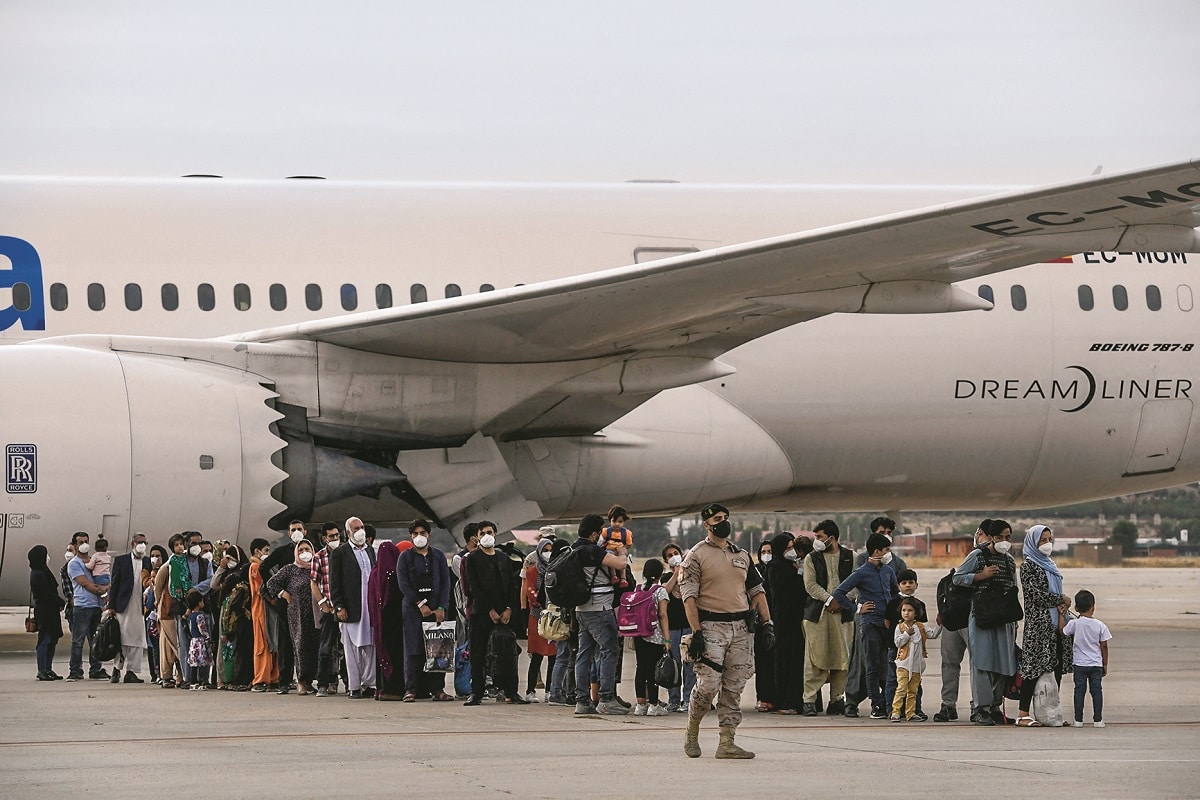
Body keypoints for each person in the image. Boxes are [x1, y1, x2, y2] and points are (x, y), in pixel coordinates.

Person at [680, 502, 774, 759]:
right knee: (708, 685)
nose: (723, 522)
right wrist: (696, 631)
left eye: (726, 517)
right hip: (711, 627)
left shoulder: (741, 555)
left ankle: (727, 742)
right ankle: (692, 730)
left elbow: (757, 592)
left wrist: (767, 624)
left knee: (734, 686)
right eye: (718, 518)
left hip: (741, 628)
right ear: (706, 524)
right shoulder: (696, 555)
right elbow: (688, 596)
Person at [954, 519, 1020, 725]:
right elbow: (958, 578)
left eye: (1008, 537)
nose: (1004, 541)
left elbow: (1012, 587)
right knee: (982, 662)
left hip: (1003, 618)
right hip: (982, 616)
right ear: (991, 537)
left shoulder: (1009, 561)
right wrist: (980, 576)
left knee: (1004, 663)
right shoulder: (978, 555)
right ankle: (980, 708)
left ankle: (994, 707)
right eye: (1000, 537)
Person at [568, 513, 629, 715]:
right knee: (609, 650)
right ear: (594, 534)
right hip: (600, 607)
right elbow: (620, 565)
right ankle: (606, 698)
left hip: (581, 608)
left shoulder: (573, 548)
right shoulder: (592, 550)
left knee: (583, 654)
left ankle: (582, 701)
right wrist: (622, 552)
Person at [833, 532, 898, 720]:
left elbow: (894, 594)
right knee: (872, 665)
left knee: (888, 663)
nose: (888, 554)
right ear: (876, 551)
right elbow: (839, 593)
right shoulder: (861, 572)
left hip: (887, 624)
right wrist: (856, 608)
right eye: (886, 550)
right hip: (870, 623)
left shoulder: (888, 571)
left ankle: (887, 702)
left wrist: (894, 614)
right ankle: (876, 704)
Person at [463, 520, 527, 705]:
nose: (486, 535)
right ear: (477, 537)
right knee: (478, 653)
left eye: (489, 532)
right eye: (482, 533)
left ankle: (511, 692)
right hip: (481, 613)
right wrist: (488, 609)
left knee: (508, 652)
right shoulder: (472, 559)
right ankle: (477, 692)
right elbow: (473, 588)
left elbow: (511, 587)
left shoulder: (503, 558)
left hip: (504, 613)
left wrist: (508, 609)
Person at [1016, 524, 1072, 727]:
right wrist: (1060, 598)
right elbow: (1033, 595)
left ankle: (1051, 712)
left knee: (1055, 668)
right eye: (1042, 540)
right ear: (1033, 542)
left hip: (1055, 624)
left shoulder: (1050, 564)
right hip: (1038, 627)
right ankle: (1022, 714)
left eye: (1049, 539)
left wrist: (1061, 608)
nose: (1047, 544)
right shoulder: (1028, 566)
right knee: (1033, 670)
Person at [934, 519, 990, 722]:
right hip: (954, 619)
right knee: (950, 664)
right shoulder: (974, 556)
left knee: (976, 664)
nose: (979, 537)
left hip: (972, 619)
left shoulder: (992, 559)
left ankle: (978, 704)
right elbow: (956, 578)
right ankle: (948, 704)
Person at [801, 520, 855, 716]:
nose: (817, 541)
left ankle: (837, 699)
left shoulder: (851, 557)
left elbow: (857, 583)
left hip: (843, 616)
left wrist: (842, 601)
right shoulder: (811, 558)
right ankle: (809, 700)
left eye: (820, 537)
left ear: (832, 538)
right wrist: (829, 600)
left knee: (842, 658)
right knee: (815, 658)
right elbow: (810, 585)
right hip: (818, 615)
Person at [396, 519, 453, 702]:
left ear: (429, 534)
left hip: (437, 610)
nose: (419, 537)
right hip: (414, 611)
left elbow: (446, 583)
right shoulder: (405, 557)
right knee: (413, 650)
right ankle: (410, 689)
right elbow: (403, 584)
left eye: (422, 533)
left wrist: (442, 607)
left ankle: (438, 689)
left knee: (438, 651)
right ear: (411, 536)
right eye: (415, 534)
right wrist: (420, 604)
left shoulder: (438, 556)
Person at [264, 539, 320, 695]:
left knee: (315, 646)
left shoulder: (317, 567)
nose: (304, 553)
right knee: (300, 646)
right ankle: (301, 681)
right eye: (300, 550)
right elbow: (271, 583)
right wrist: (284, 594)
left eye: (307, 549)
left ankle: (311, 680)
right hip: (298, 614)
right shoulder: (290, 569)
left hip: (316, 613)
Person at [259, 521, 309, 693]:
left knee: (306, 640)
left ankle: (306, 679)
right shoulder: (281, 552)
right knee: (286, 640)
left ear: (305, 531)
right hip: (286, 603)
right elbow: (263, 568)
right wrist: (277, 592)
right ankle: (284, 681)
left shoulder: (311, 550)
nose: (297, 532)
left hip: (307, 604)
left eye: (299, 529)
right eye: (293, 530)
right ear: (288, 533)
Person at [331, 516, 377, 698]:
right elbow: (334, 583)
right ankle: (354, 686)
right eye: (356, 528)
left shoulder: (370, 551)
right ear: (348, 532)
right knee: (351, 649)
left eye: (362, 527)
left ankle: (370, 683)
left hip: (369, 607)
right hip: (350, 608)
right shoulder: (340, 553)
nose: (360, 531)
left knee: (370, 647)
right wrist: (339, 606)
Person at [766, 532, 805, 714]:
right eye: (788, 548)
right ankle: (785, 700)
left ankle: (795, 700)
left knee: (796, 660)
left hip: (796, 619)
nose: (791, 551)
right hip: (784, 620)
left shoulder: (792, 565)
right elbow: (783, 593)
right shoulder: (776, 566)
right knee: (785, 660)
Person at [105, 532, 152, 684]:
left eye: (144, 542)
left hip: (140, 607)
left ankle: (132, 671)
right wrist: (111, 606)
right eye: (139, 542)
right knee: (121, 639)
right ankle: (116, 669)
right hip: (123, 606)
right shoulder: (121, 561)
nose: (142, 545)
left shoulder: (147, 562)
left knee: (138, 640)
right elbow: (115, 584)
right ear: (132, 543)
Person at [883, 568, 928, 720]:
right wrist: (898, 638)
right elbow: (887, 622)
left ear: (916, 584)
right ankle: (892, 708)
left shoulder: (919, 604)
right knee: (893, 679)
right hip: (896, 648)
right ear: (898, 585)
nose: (908, 585)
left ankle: (915, 709)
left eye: (911, 582)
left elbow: (923, 627)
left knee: (915, 680)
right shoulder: (892, 603)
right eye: (904, 583)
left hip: (915, 651)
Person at [1062, 589, 1110, 728]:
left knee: (1079, 691)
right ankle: (1098, 720)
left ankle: (1078, 720)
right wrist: (1104, 663)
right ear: (1093, 607)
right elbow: (1104, 645)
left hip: (1079, 664)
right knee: (1096, 691)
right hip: (1096, 664)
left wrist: (1061, 615)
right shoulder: (1100, 625)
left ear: (1076, 608)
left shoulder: (1075, 624)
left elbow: (1063, 631)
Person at [631, 558, 671, 716]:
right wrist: (667, 639)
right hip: (655, 636)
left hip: (639, 634)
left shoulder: (638, 588)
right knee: (653, 670)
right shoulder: (660, 591)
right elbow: (663, 615)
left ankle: (640, 705)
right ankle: (653, 704)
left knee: (640, 668)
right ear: (660, 574)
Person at [520, 536, 557, 703]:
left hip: (554, 617)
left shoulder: (556, 569)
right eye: (545, 551)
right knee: (536, 656)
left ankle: (550, 689)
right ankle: (530, 690)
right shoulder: (531, 572)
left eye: (551, 551)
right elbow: (530, 592)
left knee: (553, 656)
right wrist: (544, 604)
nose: (548, 554)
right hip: (537, 616)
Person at [891, 597, 941, 721]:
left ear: (916, 613)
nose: (906, 613)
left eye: (910, 610)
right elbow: (898, 643)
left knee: (913, 690)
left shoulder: (921, 627)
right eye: (904, 610)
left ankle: (910, 713)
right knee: (901, 688)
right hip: (903, 664)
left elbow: (933, 635)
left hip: (917, 665)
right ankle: (896, 711)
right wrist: (907, 634)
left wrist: (940, 625)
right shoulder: (900, 627)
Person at [661, 541, 695, 712]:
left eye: (675, 552)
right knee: (674, 665)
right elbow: (665, 592)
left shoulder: (690, 574)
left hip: (688, 626)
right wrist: (675, 573)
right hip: (673, 628)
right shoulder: (666, 578)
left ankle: (688, 699)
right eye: (669, 555)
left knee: (690, 665)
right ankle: (674, 699)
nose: (673, 556)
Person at [66, 536, 107, 681]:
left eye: (86, 541)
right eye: (81, 542)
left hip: (96, 606)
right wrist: (102, 590)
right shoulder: (74, 564)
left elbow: (104, 576)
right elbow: (85, 583)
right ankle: (75, 670)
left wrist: (106, 588)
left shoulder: (94, 560)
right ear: (75, 545)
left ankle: (96, 669)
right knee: (78, 641)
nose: (84, 545)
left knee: (96, 640)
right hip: (82, 606)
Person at [368, 540, 405, 701]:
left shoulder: (374, 573)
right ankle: (393, 690)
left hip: (378, 622)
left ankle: (380, 689)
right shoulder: (395, 573)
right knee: (395, 655)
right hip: (394, 621)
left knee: (381, 655)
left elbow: (370, 599)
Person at [215, 544, 254, 691]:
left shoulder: (240, 580)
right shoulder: (235, 582)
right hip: (233, 622)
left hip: (233, 623)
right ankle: (228, 680)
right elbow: (214, 585)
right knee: (231, 652)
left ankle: (231, 680)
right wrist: (221, 568)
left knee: (234, 652)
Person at [311, 522, 343, 697]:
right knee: (326, 647)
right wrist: (322, 602)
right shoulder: (319, 557)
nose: (335, 539)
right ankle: (323, 683)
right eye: (332, 536)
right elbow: (313, 582)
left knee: (345, 648)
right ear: (324, 538)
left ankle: (348, 682)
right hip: (328, 608)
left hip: (343, 608)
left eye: (337, 536)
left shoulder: (344, 554)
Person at [29, 545, 65, 681]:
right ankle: (42, 670)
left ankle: (48, 669)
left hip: (50, 610)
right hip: (45, 611)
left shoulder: (43, 571)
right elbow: (46, 594)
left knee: (52, 640)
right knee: (45, 640)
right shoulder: (38, 574)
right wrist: (60, 602)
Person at [246, 537, 278, 692]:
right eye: (266, 550)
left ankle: (273, 677)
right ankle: (261, 678)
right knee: (263, 645)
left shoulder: (264, 566)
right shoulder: (255, 566)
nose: (268, 553)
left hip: (269, 609)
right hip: (261, 609)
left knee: (273, 643)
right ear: (257, 551)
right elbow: (261, 589)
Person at [154, 534, 184, 688]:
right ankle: (166, 676)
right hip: (167, 611)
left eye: (181, 544)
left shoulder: (184, 564)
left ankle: (180, 675)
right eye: (177, 545)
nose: (180, 547)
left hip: (181, 611)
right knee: (169, 645)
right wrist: (160, 605)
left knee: (180, 643)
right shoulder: (167, 566)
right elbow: (158, 588)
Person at [753, 536, 780, 713]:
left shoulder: (778, 570)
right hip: (761, 623)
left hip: (778, 620)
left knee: (777, 662)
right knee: (763, 662)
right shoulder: (756, 572)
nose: (766, 555)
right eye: (763, 552)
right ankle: (763, 697)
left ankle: (777, 697)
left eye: (770, 552)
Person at [185, 589, 214, 690]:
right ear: (198, 603)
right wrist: (208, 638)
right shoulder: (200, 616)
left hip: (193, 641)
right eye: (201, 601)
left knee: (194, 663)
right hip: (200, 642)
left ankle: (193, 682)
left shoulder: (190, 616)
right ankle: (202, 681)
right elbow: (202, 629)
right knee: (202, 662)